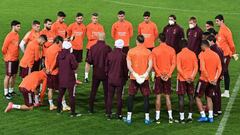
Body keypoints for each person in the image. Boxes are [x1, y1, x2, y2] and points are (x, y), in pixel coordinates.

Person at [124, 35, 152, 125]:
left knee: (131, 97)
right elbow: (150, 65)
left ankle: (129, 118)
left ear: (136, 41)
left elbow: (129, 65)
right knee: (146, 97)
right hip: (145, 78)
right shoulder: (148, 52)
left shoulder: (131, 51)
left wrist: (135, 74)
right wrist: (145, 74)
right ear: (143, 41)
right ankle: (147, 118)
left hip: (133, 78)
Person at [152, 33, 176, 124]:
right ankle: (170, 117)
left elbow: (154, 65)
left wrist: (159, 74)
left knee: (158, 96)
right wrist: (168, 75)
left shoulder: (155, 50)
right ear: (166, 39)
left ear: (159, 40)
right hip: (167, 77)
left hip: (159, 76)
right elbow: (173, 64)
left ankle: (157, 118)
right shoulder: (171, 50)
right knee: (167, 96)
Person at [195, 40, 222, 123]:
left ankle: (203, 116)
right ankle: (210, 117)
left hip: (204, 80)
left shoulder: (202, 55)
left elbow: (203, 68)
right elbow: (219, 68)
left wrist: (209, 78)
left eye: (201, 46)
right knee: (209, 97)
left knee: (197, 97)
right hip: (213, 81)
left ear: (203, 46)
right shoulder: (215, 55)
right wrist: (215, 79)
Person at [87, 32, 111, 114]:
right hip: (105, 73)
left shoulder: (92, 47)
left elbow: (89, 61)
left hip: (96, 72)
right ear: (104, 38)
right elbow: (110, 61)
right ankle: (108, 111)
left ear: (97, 37)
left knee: (93, 91)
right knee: (107, 92)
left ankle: (90, 109)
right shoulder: (107, 48)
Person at [105, 39, 128, 120]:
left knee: (110, 97)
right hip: (119, 79)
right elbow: (125, 69)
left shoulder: (109, 54)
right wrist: (126, 78)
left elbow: (106, 68)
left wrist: (108, 75)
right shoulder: (123, 56)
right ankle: (119, 114)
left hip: (110, 79)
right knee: (119, 97)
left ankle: (108, 113)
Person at [176, 39, 198, 123]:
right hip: (191, 79)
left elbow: (179, 68)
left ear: (181, 46)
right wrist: (192, 77)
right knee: (190, 97)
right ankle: (190, 116)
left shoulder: (179, 55)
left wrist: (185, 77)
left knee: (181, 98)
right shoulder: (193, 54)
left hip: (182, 79)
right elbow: (196, 67)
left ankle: (181, 118)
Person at [57, 41, 80, 117]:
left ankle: (58, 110)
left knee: (60, 94)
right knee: (71, 96)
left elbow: (57, 64)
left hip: (61, 78)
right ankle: (72, 112)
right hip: (70, 79)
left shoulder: (59, 55)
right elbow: (75, 66)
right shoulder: (70, 56)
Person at [215, 14, 236, 98]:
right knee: (224, 72)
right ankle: (225, 92)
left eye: (217, 21)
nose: (216, 22)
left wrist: (233, 53)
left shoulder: (226, 30)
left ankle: (225, 92)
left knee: (224, 72)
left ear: (222, 21)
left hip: (225, 55)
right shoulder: (221, 29)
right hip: (222, 54)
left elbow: (232, 45)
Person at [2, 20, 21, 99]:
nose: (19, 28)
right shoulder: (9, 36)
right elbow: (3, 49)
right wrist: (8, 56)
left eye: (19, 26)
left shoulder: (17, 35)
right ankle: (6, 93)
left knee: (14, 75)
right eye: (18, 26)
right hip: (10, 59)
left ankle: (11, 90)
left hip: (16, 59)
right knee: (8, 76)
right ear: (13, 26)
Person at [84, 13, 105, 83]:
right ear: (91, 18)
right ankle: (86, 77)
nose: (95, 20)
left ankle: (96, 76)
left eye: (96, 18)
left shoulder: (101, 26)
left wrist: (95, 36)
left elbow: (102, 37)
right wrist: (98, 36)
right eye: (94, 18)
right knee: (88, 62)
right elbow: (89, 37)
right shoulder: (88, 26)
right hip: (90, 47)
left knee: (97, 62)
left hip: (98, 48)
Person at [207, 35, 225, 116]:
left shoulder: (214, 50)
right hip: (218, 74)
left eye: (208, 41)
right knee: (217, 91)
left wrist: (219, 75)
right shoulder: (219, 48)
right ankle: (218, 109)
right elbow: (223, 63)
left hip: (215, 74)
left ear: (211, 41)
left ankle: (215, 111)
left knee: (214, 93)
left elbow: (219, 64)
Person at [67, 12, 86, 84]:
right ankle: (69, 78)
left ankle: (75, 79)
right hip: (72, 48)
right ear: (75, 18)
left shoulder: (84, 27)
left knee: (77, 64)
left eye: (81, 18)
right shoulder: (71, 26)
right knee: (70, 64)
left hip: (80, 48)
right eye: (78, 18)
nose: (80, 20)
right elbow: (68, 36)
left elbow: (83, 36)